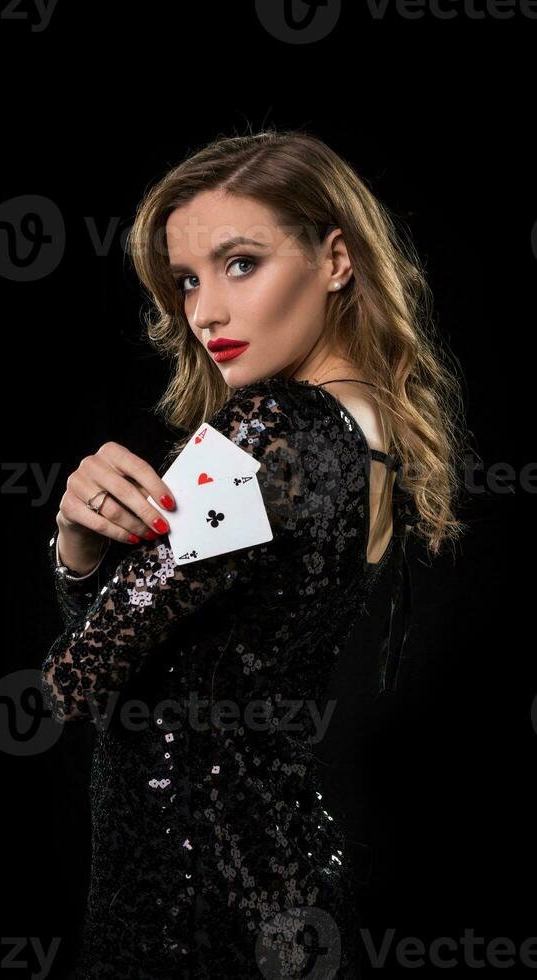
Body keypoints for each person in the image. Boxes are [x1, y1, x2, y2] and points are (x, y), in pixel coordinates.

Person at [41, 129, 467, 980]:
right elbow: (159, 654)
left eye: (241, 264)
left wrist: (72, 549)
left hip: (189, 907)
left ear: (336, 258)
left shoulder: (262, 435)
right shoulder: (369, 434)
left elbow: (72, 682)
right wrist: (89, 564)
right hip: (284, 887)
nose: (204, 312)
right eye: (188, 280)